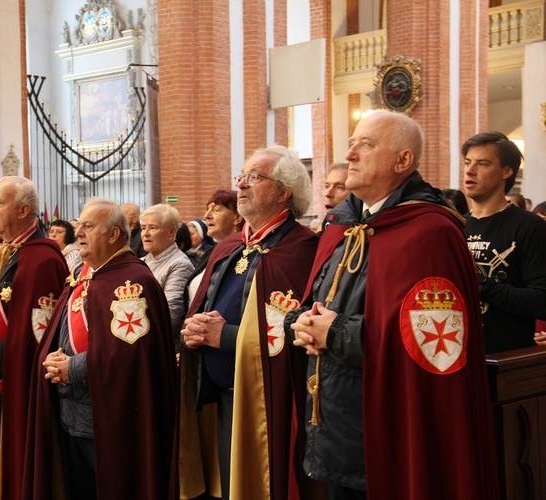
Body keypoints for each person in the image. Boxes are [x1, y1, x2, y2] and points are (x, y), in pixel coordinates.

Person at [287, 111, 498, 499]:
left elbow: (434, 348)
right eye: (352, 143)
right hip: (333, 424)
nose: (350, 154)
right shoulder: (343, 225)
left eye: (365, 145)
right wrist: (301, 322)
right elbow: (318, 301)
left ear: (403, 161)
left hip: (391, 428)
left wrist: (332, 332)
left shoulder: (429, 232)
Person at [179, 145, 318, 499]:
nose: (241, 185)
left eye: (253, 178)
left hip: (266, 403)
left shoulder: (302, 250)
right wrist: (193, 331)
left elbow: (295, 332)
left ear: (284, 192)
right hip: (217, 399)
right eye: (241, 177)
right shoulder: (228, 247)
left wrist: (223, 336)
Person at [22, 199, 177, 499]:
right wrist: (54, 354)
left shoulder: (132, 281)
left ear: (113, 235)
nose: (78, 232)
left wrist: (72, 368)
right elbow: (63, 327)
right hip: (71, 415)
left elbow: (129, 356)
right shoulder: (85, 275)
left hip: (110, 419)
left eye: (88, 226)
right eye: (79, 225)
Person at [0, 176, 68, 500]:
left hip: (11, 383)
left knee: (10, 475)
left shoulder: (43, 258)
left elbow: (38, 334)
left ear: (22, 210)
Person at [462, 131, 546, 353]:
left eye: (482, 163)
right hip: (459, 354)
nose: (470, 170)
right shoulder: (454, 225)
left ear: (507, 171)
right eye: (468, 162)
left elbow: (541, 300)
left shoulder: (529, 227)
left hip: (506, 359)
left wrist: (480, 283)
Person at [141, 203, 194, 338]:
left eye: (153, 228)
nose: (145, 233)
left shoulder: (180, 265)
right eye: (143, 228)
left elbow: (170, 316)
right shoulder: (140, 262)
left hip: (160, 345)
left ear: (171, 232)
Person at [184, 190, 243, 311]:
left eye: (216, 210)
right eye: (207, 209)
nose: (207, 216)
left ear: (237, 217)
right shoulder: (211, 252)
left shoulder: (244, 254)